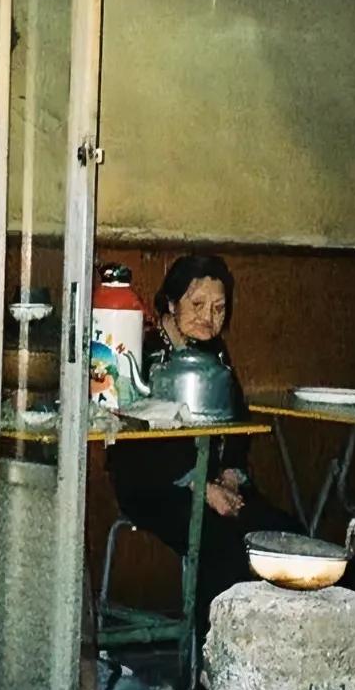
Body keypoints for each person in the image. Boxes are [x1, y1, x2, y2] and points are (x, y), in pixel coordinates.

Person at [104, 253, 288, 647]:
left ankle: (270, 658)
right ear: (171, 303)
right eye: (198, 305)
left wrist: (232, 473)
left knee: (283, 536)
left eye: (219, 308)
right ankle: (210, 668)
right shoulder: (145, 353)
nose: (209, 317)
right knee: (223, 545)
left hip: (217, 483)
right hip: (157, 487)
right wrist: (202, 486)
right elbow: (139, 444)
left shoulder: (215, 353)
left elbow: (236, 421)